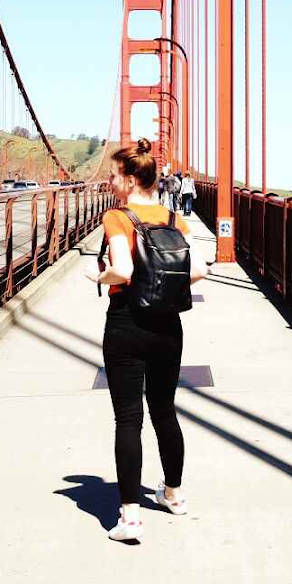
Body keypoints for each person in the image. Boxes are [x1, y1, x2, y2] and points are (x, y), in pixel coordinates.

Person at [83, 138, 209, 542]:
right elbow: (200, 270)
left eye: (114, 175)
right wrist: (160, 281)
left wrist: (98, 277)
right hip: (168, 326)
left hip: (126, 323)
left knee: (128, 419)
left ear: (131, 178)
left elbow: (120, 269)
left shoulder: (118, 218)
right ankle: (173, 494)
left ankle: (131, 518)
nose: (111, 182)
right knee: (164, 411)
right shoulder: (175, 221)